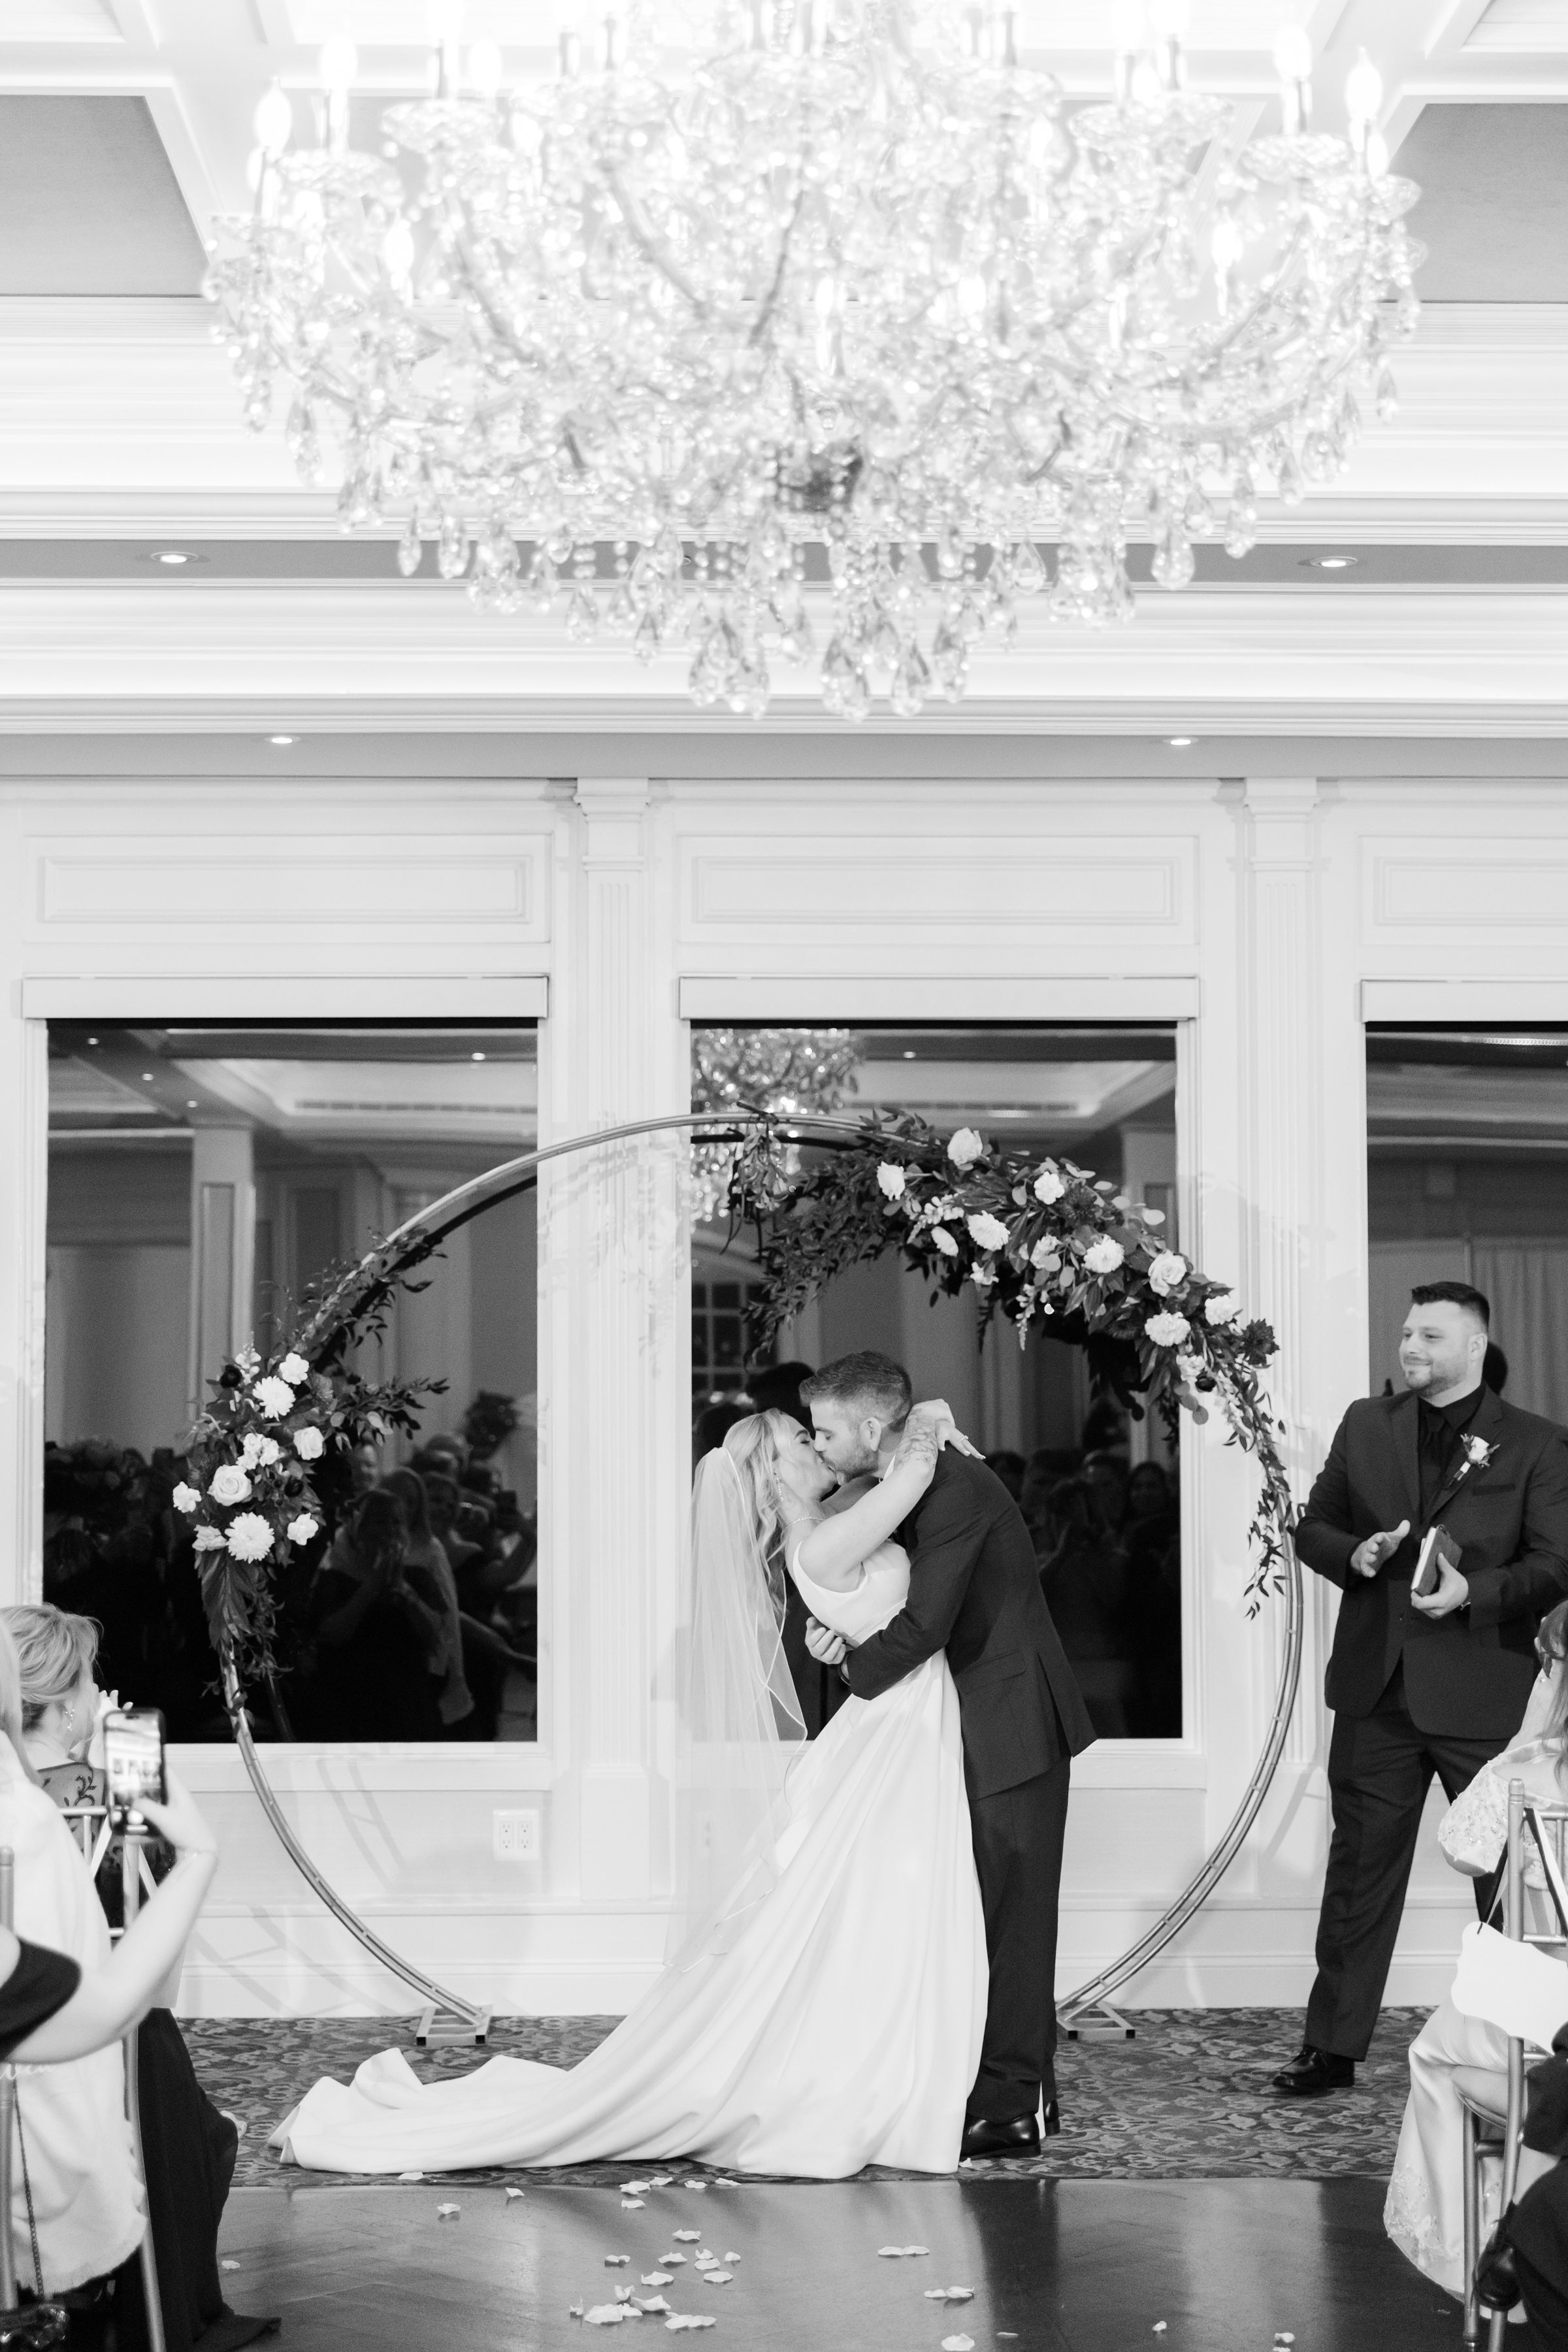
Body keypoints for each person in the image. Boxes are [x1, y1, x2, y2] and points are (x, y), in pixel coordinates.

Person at [272, 1399, 990, 2176]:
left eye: (815, 1434)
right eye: (801, 1439)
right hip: (893, 1733)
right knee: (873, 1912)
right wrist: (925, 1415)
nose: (819, 1445)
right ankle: (874, 2077)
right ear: (773, 1472)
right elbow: (915, 1471)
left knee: (869, 1916)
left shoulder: (831, 1528)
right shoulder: (819, 1545)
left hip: (893, 1734)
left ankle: (888, 2064)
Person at [1276, 1281, 1568, 2098]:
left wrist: (1473, 1594)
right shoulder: (1366, 1425)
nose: (1411, 1349)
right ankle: (1330, 2050)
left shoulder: (1540, 1446)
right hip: (1377, 1691)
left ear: (1475, 1346)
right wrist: (1355, 1556)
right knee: (1358, 1875)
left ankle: (1524, 2043)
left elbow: (1556, 1563)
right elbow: (1314, 1524)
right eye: (1407, 1335)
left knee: (1508, 1879)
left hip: (1482, 1694)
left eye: (1431, 1337)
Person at [802, 1351, 1096, 2161]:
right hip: (966, 1720)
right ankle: (1017, 2090)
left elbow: (928, 1623)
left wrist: (853, 1670)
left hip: (1012, 1720)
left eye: (828, 1430)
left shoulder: (953, 1488)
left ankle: (1012, 2106)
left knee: (1017, 1918)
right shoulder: (914, 1473)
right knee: (985, 1912)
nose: (820, 1446)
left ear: (870, 1427)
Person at [5, 1604, 272, 2352]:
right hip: (94, 2046)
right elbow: (154, 1987)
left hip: (21, 2034)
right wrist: (139, 1777)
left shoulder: (14, 1801)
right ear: (62, 1711)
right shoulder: (115, 1801)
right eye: (89, 1684)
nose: (101, 1697)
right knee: (189, 2112)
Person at [1384, 1601, 1568, 2301]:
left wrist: (1523, 1740)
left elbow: (1463, 1847)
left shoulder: (1527, 1772)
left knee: (1435, 2054)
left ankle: (1482, 2252)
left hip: (1548, 2013)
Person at [302, 1488, 446, 1740]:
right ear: (359, 1530)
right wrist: (372, 1586)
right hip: (350, 1701)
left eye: (397, 1522)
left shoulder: (419, 1579)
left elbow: (436, 1637)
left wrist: (405, 1592)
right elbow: (331, 1634)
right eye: (380, 1522)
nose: (389, 1530)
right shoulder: (335, 1579)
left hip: (407, 1700)